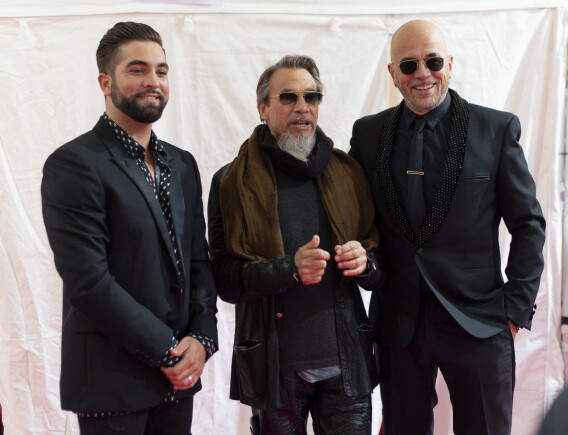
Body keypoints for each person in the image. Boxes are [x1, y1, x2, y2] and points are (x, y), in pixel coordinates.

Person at [349, 20, 546, 435]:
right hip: (399, 324)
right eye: (408, 64)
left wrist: (513, 310)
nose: (422, 73)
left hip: (479, 319)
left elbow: (528, 224)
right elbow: (357, 220)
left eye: (432, 61)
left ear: (450, 64)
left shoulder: (496, 129)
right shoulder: (367, 135)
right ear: (393, 73)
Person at [41, 22, 218, 434]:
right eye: (137, 70)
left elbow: (197, 261)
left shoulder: (182, 163)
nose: (153, 81)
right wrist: (167, 351)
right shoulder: (75, 164)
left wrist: (201, 339)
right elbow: (88, 280)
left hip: (178, 383)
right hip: (112, 382)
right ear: (106, 81)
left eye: (161, 70)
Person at [208, 55, 385, 434]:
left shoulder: (348, 173)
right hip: (275, 372)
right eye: (288, 97)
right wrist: (289, 269)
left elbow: (381, 265)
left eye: (312, 97)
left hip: (346, 367)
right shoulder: (230, 182)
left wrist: (365, 262)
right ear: (263, 108)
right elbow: (224, 279)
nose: (302, 107)